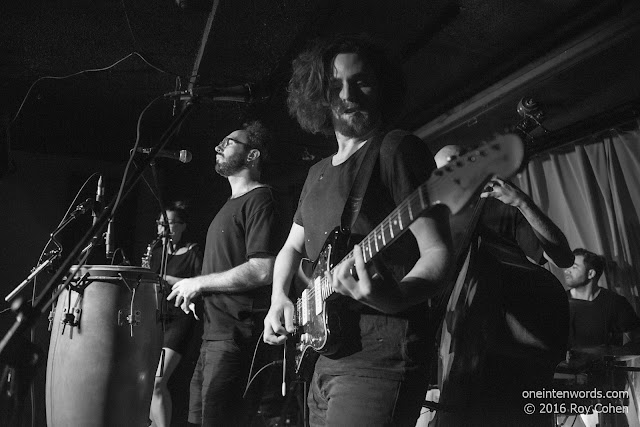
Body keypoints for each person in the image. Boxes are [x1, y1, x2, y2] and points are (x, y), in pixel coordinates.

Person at [263, 34, 452, 427]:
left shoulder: (397, 149)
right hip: (322, 356)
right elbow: (290, 249)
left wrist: (396, 297)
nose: (348, 95)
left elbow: (438, 254)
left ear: (382, 87)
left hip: (379, 356)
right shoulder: (317, 173)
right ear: (318, 97)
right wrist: (279, 297)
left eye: (361, 81)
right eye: (335, 87)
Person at [432, 145, 574, 426]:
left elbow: (563, 257)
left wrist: (521, 202)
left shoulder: (499, 207)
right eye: (442, 170)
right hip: (453, 349)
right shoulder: (432, 220)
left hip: (503, 359)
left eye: (459, 164)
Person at [167, 120, 283, 427]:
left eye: (228, 142)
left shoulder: (260, 199)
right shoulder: (228, 206)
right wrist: (200, 290)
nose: (218, 147)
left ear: (252, 155)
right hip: (212, 337)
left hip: (236, 338)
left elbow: (262, 270)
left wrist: (199, 283)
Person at [563, 248, 640, 427]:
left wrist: (605, 353)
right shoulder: (559, 303)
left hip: (609, 389)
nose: (566, 270)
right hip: (570, 390)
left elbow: (638, 344)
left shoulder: (615, 303)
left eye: (573, 266)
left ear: (591, 273)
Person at [147, 201, 203, 427]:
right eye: (161, 224)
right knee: (150, 382)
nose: (163, 229)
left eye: (169, 224)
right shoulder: (156, 252)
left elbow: (201, 283)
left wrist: (169, 280)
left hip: (180, 320)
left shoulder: (192, 252)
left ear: (182, 226)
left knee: (158, 381)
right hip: (157, 317)